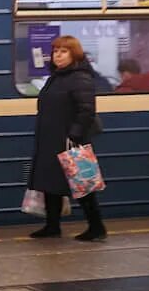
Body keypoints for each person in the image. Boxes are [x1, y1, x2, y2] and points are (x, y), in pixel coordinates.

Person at [29, 35, 107, 242]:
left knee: (82, 183)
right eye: (55, 51)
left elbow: (86, 110)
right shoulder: (57, 76)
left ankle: (96, 226)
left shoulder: (80, 77)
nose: (58, 55)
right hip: (50, 138)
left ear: (74, 54)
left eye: (63, 51)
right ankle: (52, 225)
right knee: (50, 183)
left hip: (69, 139)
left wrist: (74, 134)